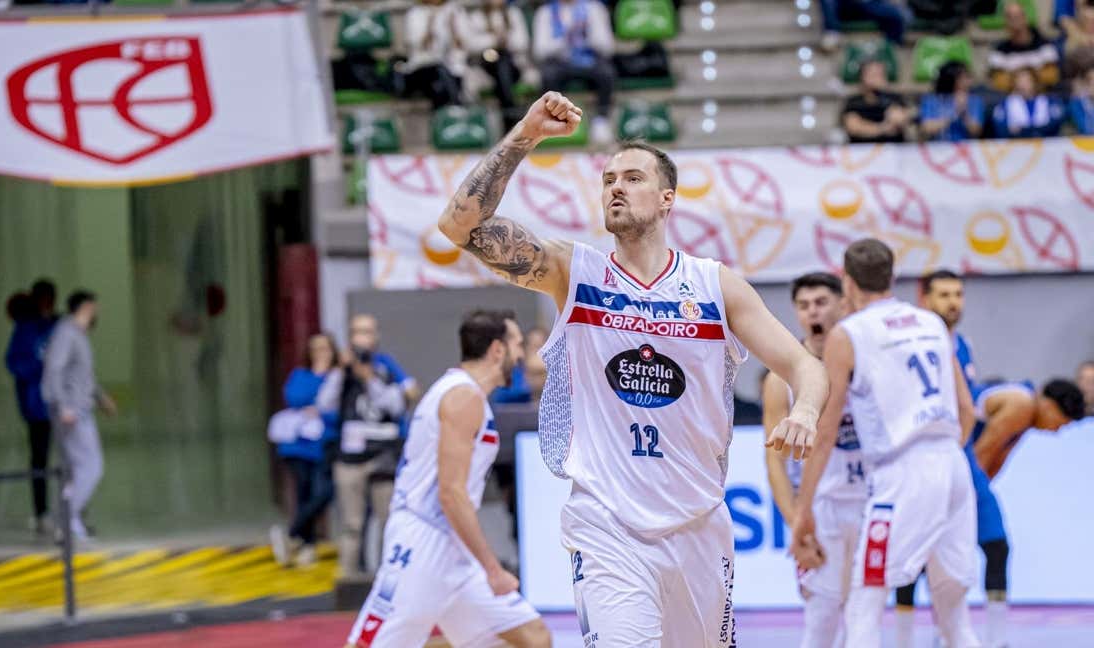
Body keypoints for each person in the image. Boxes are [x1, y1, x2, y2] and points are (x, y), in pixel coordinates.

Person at [438, 91, 828, 647]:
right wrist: (525, 133)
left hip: (698, 522)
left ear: (668, 198)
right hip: (608, 524)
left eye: (633, 178)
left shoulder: (715, 284)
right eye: (607, 179)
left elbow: (802, 364)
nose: (615, 186)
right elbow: (458, 228)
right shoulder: (576, 272)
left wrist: (807, 409)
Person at [792, 240, 980, 648]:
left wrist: (802, 508)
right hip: (952, 463)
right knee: (955, 617)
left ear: (848, 282)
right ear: (893, 277)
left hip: (903, 470)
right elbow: (968, 410)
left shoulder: (850, 333)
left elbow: (825, 431)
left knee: (864, 602)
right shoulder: (930, 322)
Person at [344, 310, 550, 648]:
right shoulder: (462, 396)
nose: (521, 356)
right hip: (422, 538)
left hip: (452, 545)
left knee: (532, 637)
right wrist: (493, 568)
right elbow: (451, 495)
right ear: (497, 350)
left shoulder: (467, 395)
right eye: (516, 344)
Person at [891, 269, 1001, 648]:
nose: (953, 302)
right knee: (912, 558)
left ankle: (990, 637)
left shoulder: (963, 344)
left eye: (958, 294)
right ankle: (911, 638)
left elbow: (970, 408)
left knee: (993, 546)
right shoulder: (908, 339)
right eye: (944, 294)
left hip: (958, 456)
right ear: (925, 299)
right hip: (923, 458)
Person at [763, 272, 864, 648]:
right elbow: (775, 461)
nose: (812, 313)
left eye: (821, 303)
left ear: (842, 303)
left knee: (863, 617)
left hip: (870, 503)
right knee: (821, 619)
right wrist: (796, 523)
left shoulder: (868, 360)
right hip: (821, 511)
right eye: (804, 306)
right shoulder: (782, 378)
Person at [317, 314, 411, 577]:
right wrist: (340, 370)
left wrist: (369, 378)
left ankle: (389, 580)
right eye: (357, 332)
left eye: (367, 332)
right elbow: (324, 404)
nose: (362, 339)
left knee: (389, 521)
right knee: (352, 524)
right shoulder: (341, 371)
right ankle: (348, 580)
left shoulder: (387, 366)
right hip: (349, 459)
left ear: (376, 336)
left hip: (384, 456)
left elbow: (398, 404)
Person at [42, 290, 117, 542]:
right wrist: (64, 406)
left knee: (75, 470)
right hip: (73, 411)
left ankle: (70, 521)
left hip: (79, 408)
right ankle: (63, 517)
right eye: (94, 307)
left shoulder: (78, 335)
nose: (97, 313)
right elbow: (53, 370)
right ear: (85, 307)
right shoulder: (66, 334)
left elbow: (83, 376)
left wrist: (101, 397)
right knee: (91, 466)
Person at [270, 334, 340, 568]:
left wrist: (320, 410)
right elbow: (294, 397)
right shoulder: (300, 374)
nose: (321, 353)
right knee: (304, 493)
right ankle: (306, 545)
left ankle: (292, 534)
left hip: (326, 444)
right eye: (316, 349)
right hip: (298, 446)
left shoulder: (338, 377)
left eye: (325, 349)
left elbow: (338, 410)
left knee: (323, 492)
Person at [5, 279, 60, 535]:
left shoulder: (59, 325)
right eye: (44, 299)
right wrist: (41, 370)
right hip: (37, 406)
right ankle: (41, 512)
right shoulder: (25, 329)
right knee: (39, 459)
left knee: (71, 458)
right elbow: (15, 362)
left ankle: (73, 510)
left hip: (61, 403)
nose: (48, 305)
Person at [532, 0, 617, 144]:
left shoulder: (594, 8)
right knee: (548, 75)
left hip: (589, 60)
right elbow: (539, 51)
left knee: (606, 73)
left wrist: (585, 34)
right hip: (560, 62)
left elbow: (607, 47)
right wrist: (565, 38)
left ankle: (601, 120)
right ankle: (554, 121)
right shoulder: (545, 12)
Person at [971, 378, 1086, 479]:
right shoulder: (1022, 405)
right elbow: (982, 454)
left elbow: (995, 465)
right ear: (1050, 406)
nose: (1055, 431)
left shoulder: (1026, 418)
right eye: (1059, 424)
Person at [469, 0, 535, 133]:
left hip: (513, 65)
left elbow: (523, 42)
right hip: (486, 67)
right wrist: (494, 40)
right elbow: (471, 44)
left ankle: (508, 117)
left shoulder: (513, 13)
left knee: (503, 63)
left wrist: (505, 40)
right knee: (499, 63)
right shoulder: (476, 16)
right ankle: (511, 115)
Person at [403, 0, 470, 108]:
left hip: (453, 65)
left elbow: (465, 44)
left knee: (451, 75)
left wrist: (453, 29)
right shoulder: (415, 13)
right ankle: (456, 106)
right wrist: (430, 25)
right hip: (424, 66)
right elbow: (417, 46)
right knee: (440, 73)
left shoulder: (455, 10)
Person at [989, 2, 1060, 92]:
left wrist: (1029, 77)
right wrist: (1018, 79)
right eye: (1010, 17)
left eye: (1018, 16)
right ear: (1006, 22)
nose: (1015, 21)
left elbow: (1052, 76)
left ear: (1025, 18)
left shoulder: (1045, 46)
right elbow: (998, 81)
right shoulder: (999, 51)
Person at [842, 59, 909, 144]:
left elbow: (900, 120)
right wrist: (882, 128)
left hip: (892, 150)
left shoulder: (894, 99)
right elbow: (853, 127)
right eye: (873, 75)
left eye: (880, 74)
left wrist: (884, 91)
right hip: (863, 151)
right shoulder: (854, 102)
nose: (877, 78)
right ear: (862, 77)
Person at [920, 62, 986, 142]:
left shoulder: (975, 100)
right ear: (953, 79)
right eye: (965, 77)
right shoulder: (931, 100)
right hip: (937, 149)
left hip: (966, 149)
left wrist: (964, 113)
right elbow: (927, 128)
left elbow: (976, 131)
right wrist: (954, 113)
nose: (969, 81)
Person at [991, 67, 1065, 138]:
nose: (1023, 84)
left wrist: (1023, 130)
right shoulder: (1005, 104)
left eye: (1027, 80)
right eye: (1020, 81)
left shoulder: (1050, 101)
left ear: (1035, 82)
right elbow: (1002, 129)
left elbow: (1054, 125)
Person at [818, 0, 907, 51]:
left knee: (895, 15)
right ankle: (832, 32)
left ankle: (891, 49)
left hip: (868, 4)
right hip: (844, 5)